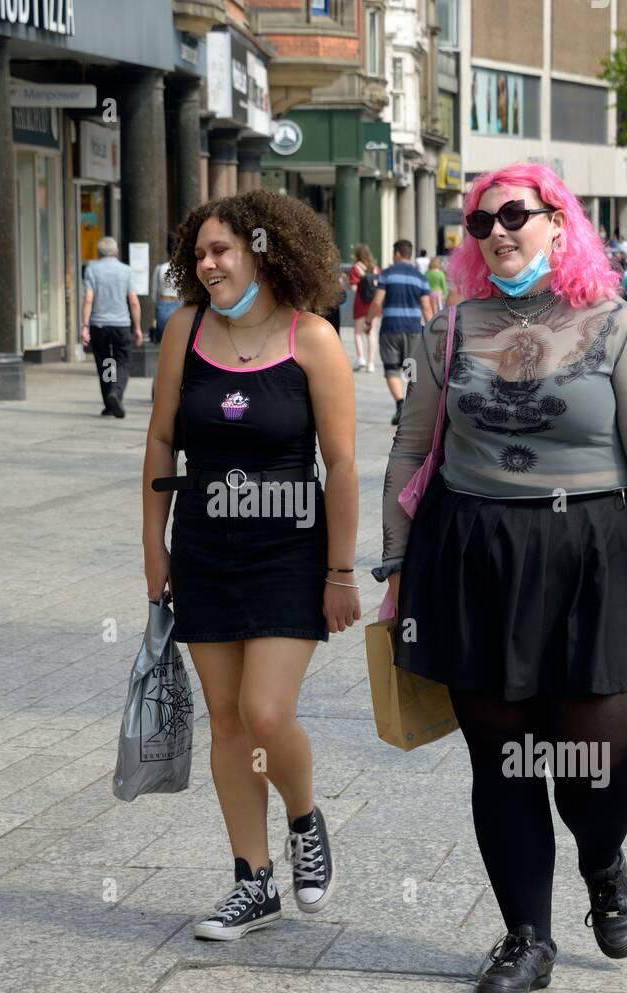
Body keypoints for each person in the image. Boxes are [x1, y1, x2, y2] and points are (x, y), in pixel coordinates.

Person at [375, 162, 627, 993]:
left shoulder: (618, 326)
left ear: (559, 225)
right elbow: (411, 451)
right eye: (479, 221)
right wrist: (393, 565)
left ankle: (602, 859)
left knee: (597, 764)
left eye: (515, 214)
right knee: (502, 762)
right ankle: (526, 938)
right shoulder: (449, 329)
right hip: (474, 558)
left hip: (597, 559)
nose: (496, 230)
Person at [142, 190, 360, 942]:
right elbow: (161, 443)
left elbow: (342, 464)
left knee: (268, 713)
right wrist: (155, 549)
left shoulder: (314, 340)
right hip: (204, 550)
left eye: (220, 251)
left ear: (265, 251)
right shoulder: (184, 331)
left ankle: (304, 817)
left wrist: (340, 573)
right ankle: (252, 882)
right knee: (229, 720)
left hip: (288, 553)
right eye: (198, 253)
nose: (205, 265)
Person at [366, 240, 435, 426]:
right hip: (413, 330)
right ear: (409, 254)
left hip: (390, 328)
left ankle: (400, 404)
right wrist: (432, 331)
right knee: (411, 369)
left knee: (391, 368)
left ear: (397, 254)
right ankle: (414, 406)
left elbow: (377, 302)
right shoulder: (420, 278)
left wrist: (368, 321)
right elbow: (427, 308)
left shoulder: (387, 274)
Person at [82, 236, 143, 418]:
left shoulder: (92, 269)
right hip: (121, 324)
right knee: (122, 361)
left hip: (99, 325)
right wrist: (138, 327)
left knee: (106, 362)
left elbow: (88, 298)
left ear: (99, 253)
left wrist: (84, 326)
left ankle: (109, 400)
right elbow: (133, 301)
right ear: (116, 251)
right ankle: (115, 392)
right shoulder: (126, 271)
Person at [349, 243, 380, 372]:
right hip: (374, 305)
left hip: (361, 304)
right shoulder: (376, 268)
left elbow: (354, 288)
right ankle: (371, 364)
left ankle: (361, 358)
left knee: (358, 333)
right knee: (371, 333)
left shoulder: (355, 268)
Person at [150, 234, 180, 344]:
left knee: (165, 342)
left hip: (164, 305)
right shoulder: (185, 270)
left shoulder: (160, 268)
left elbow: (154, 294)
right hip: (181, 305)